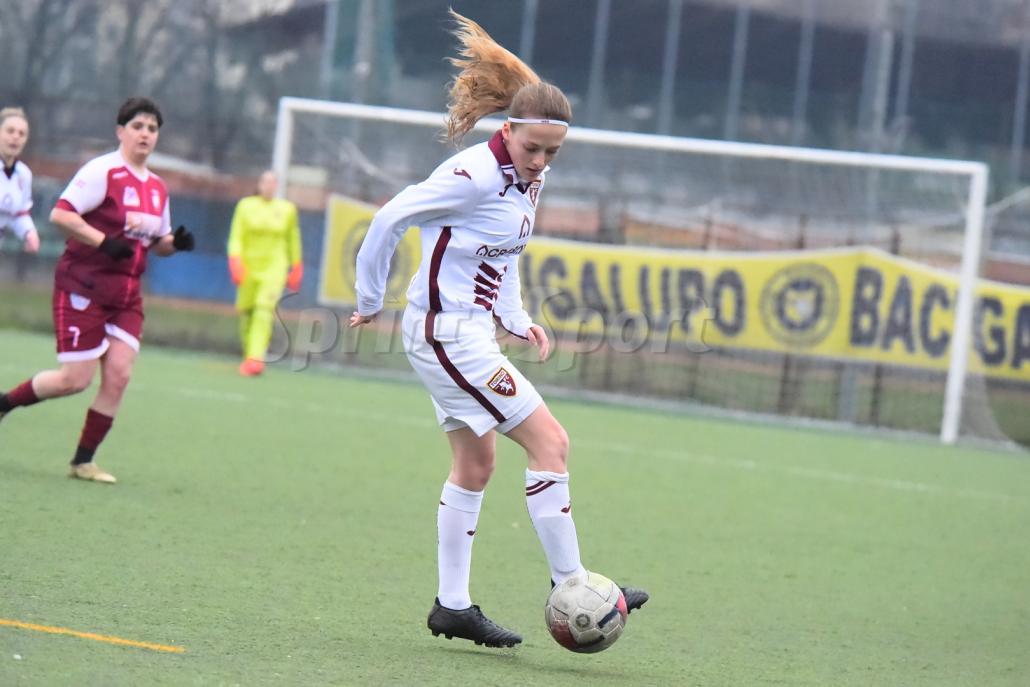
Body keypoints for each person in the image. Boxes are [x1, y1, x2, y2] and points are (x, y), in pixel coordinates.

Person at [350, 11, 648, 648]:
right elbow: (388, 219)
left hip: (470, 333)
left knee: (476, 463)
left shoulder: (528, 176)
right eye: (532, 148)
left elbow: (502, 252)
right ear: (506, 131)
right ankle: (576, 588)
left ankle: (452, 607)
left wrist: (515, 317)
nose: (541, 162)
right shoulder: (472, 177)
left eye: (552, 153)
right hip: (445, 335)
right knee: (552, 443)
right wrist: (369, 298)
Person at [0, 97, 195, 483]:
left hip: (126, 297)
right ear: (120, 131)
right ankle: (5, 402)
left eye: (152, 128)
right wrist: (103, 241)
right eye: (137, 126)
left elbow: (156, 242)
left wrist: (175, 243)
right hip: (84, 286)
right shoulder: (102, 171)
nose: (145, 134)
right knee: (74, 380)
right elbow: (61, 214)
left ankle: (83, 461)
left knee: (119, 375)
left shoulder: (157, 188)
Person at [226, 170, 302, 376]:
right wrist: (235, 261)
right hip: (249, 266)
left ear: (277, 186)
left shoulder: (287, 210)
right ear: (259, 184)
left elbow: (293, 239)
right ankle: (249, 354)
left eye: (272, 183)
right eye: (265, 182)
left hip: (274, 267)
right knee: (247, 311)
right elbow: (236, 236)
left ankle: (255, 358)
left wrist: (296, 265)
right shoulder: (245, 206)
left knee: (263, 310)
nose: (269, 186)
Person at [0, 107, 41, 254]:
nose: (16, 137)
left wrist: (29, 233)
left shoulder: (24, 174)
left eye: (21, 133)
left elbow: (19, 212)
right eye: (10, 131)